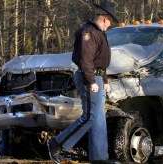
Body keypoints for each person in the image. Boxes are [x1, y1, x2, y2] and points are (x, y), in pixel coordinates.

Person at [47, 1, 119, 164]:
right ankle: (57, 143)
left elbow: (100, 60)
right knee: (90, 116)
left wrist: (104, 79)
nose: (110, 24)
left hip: (97, 78)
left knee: (99, 118)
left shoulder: (99, 33)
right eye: (111, 21)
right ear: (105, 18)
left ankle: (99, 158)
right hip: (90, 78)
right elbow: (85, 60)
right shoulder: (89, 33)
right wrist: (91, 80)